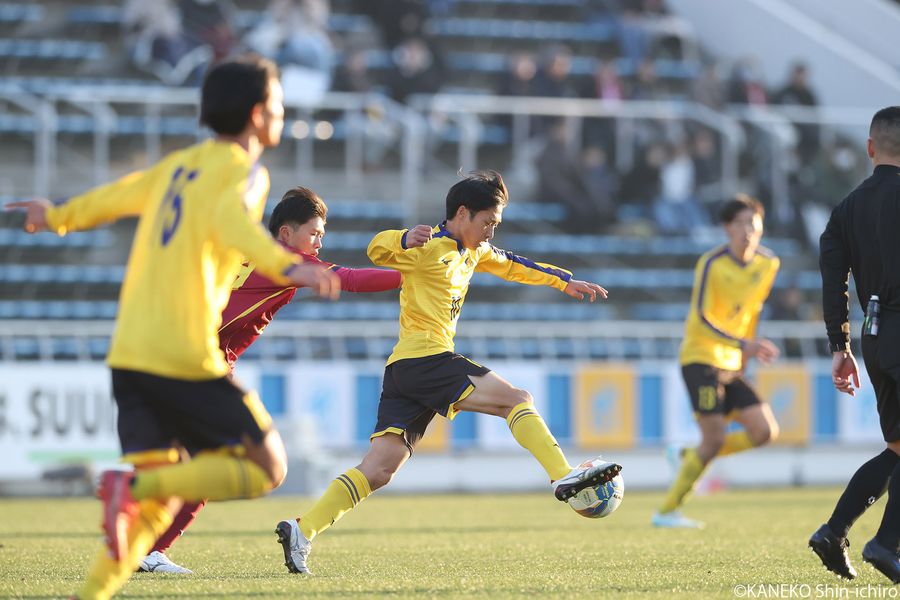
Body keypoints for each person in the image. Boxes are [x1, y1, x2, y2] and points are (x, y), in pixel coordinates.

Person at [7, 55, 341, 600]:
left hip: (130, 350)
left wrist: (59, 216)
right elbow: (235, 223)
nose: (282, 112)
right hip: (184, 351)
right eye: (278, 103)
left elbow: (120, 196)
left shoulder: (180, 164)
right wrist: (286, 265)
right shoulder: (245, 171)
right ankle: (134, 485)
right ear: (259, 115)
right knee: (267, 467)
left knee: (145, 522)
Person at [273, 170, 621, 575]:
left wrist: (565, 282)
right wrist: (404, 238)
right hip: (427, 359)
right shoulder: (429, 246)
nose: (492, 231)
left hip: (404, 369)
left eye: (496, 224)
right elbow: (376, 248)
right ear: (462, 213)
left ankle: (303, 530)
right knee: (517, 400)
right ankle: (562, 476)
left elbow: (515, 266)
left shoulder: (474, 251)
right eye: (488, 222)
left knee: (380, 468)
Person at [138, 186, 402, 574]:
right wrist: (414, 276)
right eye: (314, 233)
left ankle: (145, 540)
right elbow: (349, 279)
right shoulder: (285, 259)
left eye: (321, 235)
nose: (319, 242)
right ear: (286, 234)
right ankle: (149, 545)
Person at [809, 106, 900, 584]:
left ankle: (833, 532)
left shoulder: (846, 208)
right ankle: (887, 544)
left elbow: (833, 280)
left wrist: (838, 346)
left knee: (898, 447)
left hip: (873, 334)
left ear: (870, 148)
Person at [652, 194, 781, 529]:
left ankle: (685, 456)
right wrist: (743, 344)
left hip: (730, 360)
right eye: (739, 224)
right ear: (726, 228)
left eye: (752, 224)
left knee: (764, 431)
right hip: (701, 358)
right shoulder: (712, 262)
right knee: (715, 439)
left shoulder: (768, 264)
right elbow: (701, 317)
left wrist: (743, 355)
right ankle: (666, 511)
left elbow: (752, 312)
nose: (747, 231)